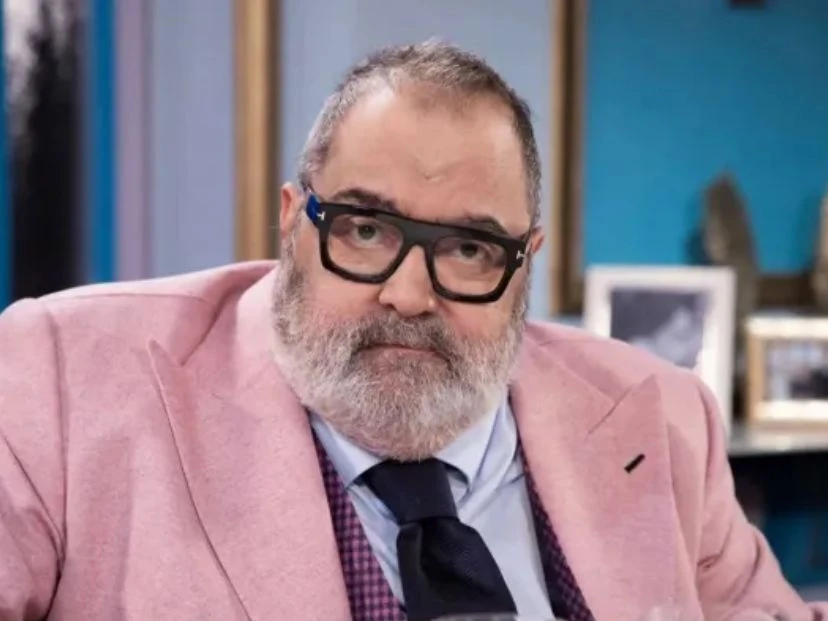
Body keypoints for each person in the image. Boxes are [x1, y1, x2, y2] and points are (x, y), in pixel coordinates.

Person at [0, 41, 824, 621]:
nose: (407, 294)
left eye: (468, 248)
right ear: (293, 222)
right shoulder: (63, 379)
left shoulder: (660, 415)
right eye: (365, 229)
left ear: (525, 263)